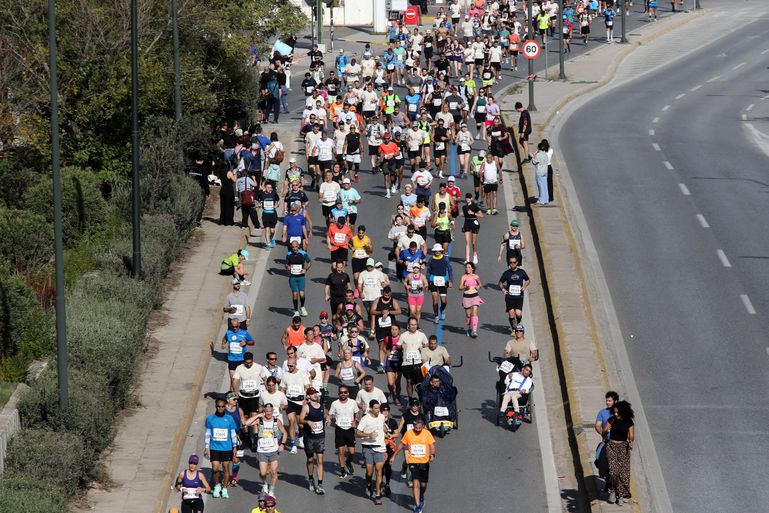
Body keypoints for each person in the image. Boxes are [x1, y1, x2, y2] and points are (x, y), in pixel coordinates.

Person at [390, 418, 436, 513]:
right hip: (413, 462)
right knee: (415, 483)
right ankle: (417, 505)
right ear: (413, 427)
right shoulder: (409, 433)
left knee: (423, 485)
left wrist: (432, 455)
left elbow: (432, 446)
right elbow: (401, 445)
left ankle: (421, 496)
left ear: (423, 426)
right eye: (416, 428)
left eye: (420, 428)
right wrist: (393, 456)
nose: (418, 430)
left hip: (424, 462)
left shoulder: (427, 433)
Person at [244, 403, 287, 497]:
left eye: (270, 411)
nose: (268, 413)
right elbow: (246, 423)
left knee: (274, 472)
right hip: (262, 451)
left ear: (272, 411)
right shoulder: (259, 421)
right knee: (263, 473)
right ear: (264, 411)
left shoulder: (277, 421)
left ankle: (271, 491)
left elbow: (284, 433)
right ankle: (264, 484)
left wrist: (282, 444)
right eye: (266, 411)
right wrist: (258, 415)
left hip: (273, 450)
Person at [356, 400, 389, 505]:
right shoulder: (365, 419)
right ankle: (369, 483)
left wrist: (386, 432)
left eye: (379, 408)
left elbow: (382, 425)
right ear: (370, 408)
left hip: (380, 447)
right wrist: (369, 435)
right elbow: (357, 433)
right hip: (368, 447)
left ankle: (378, 495)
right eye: (376, 408)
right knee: (369, 472)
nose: (378, 410)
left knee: (379, 471)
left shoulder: (381, 417)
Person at [205, 398, 239, 498]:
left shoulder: (229, 419)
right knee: (215, 468)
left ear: (225, 407)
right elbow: (207, 433)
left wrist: (234, 446)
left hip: (226, 448)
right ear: (215, 407)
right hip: (214, 447)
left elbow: (233, 433)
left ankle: (224, 488)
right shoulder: (210, 418)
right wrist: (206, 447)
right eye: (218, 406)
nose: (220, 408)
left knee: (226, 469)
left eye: (223, 406)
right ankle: (217, 485)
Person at [603, 400, 635, 506]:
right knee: (613, 472)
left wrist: (630, 440)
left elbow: (631, 436)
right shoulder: (611, 420)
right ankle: (612, 489)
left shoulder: (628, 422)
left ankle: (620, 495)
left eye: (618, 412)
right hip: (611, 446)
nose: (616, 414)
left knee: (623, 473)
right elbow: (603, 432)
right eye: (614, 412)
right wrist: (606, 431)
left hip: (623, 448)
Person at [298, 387, 327, 495]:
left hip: (320, 436)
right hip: (309, 437)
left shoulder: (321, 406)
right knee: (310, 459)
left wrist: (327, 418)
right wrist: (308, 421)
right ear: (309, 396)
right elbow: (300, 419)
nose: (315, 395)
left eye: (315, 393)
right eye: (312, 394)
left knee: (320, 460)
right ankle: (311, 479)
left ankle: (320, 484)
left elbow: (324, 415)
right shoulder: (306, 407)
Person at [328, 384, 361, 478]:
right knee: (341, 451)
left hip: (350, 429)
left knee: (352, 452)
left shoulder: (352, 402)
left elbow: (357, 413)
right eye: (341, 392)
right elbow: (330, 414)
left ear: (348, 393)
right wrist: (329, 419)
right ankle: (342, 470)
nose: (343, 394)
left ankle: (348, 462)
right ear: (338, 393)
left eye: (345, 392)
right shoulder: (335, 404)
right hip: (339, 429)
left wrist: (356, 421)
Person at [280, 356, 311, 454]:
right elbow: (282, 389)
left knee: (301, 424)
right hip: (290, 401)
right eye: (288, 366)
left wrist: (307, 399)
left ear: (296, 364)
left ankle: (300, 437)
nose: (290, 367)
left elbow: (308, 387)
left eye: (291, 366)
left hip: (300, 402)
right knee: (291, 421)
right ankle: (293, 445)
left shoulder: (303, 375)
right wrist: (282, 400)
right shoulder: (285, 375)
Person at [498, 256, 530, 332]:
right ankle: (514, 329)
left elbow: (528, 280)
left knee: (518, 313)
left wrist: (524, 286)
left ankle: (518, 322)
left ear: (517, 263)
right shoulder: (506, 273)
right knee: (511, 313)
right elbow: (500, 282)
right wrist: (503, 289)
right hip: (510, 296)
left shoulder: (521, 272)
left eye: (514, 262)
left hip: (519, 296)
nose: (512, 264)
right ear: (509, 263)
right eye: (511, 262)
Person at [594, 391, 619, 485]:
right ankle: (606, 477)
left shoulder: (620, 413)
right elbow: (597, 426)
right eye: (607, 400)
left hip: (618, 442)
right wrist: (602, 433)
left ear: (615, 401)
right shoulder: (602, 412)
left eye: (610, 401)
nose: (607, 402)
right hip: (606, 441)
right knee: (598, 457)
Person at [400, 317, 429, 399]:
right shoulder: (403, 335)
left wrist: (423, 347)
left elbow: (427, 344)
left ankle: (421, 400)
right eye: (411, 325)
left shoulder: (421, 335)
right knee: (409, 382)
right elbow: (398, 345)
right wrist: (401, 346)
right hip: (407, 363)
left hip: (418, 362)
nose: (413, 326)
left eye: (415, 325)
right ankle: (410, 400)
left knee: (420, 383)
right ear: (408, 325)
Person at [426, 243, 453, 322]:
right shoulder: (431, 259)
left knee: (444, 301)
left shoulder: (445, 259)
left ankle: (442, 309)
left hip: (443, 281)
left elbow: (450, 270)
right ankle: (436, 316)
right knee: (435, 299)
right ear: (434, 251)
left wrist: (450, 280)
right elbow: (428, 271)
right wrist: (428, 282)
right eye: (436, 251)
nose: (437, 252)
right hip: (433, 280)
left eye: (439, 251)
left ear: (441, 251)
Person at [285, 240, 312, 317]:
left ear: (298, 246)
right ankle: (296, 311)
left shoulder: (303, 253)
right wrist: (288, 267)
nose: (294, 248)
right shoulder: (289, 254)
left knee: (302, 294)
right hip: (293, 277)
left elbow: (309, 262)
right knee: (295, 294)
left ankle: (302, 307)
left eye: (296, 247)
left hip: (301, 277)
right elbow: (286, 264)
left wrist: (305, 269)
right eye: (293, 247)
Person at [459, 261, 483, 338]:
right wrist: (465, 287)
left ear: (472, 268)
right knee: (468, 315)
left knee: (475, 313)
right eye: (466, 267)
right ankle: (469, 329)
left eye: (469, 267)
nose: (467, 269)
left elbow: (480, 284)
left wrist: (478, 287)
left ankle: (475, 331)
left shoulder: (476, 276)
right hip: (467, 297)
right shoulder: (463, 277)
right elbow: (460, 287)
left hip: (475, 296)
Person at [461, 193, 484, 264]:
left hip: (474, 223)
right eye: (466, 198)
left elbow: (481, 215)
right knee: (467, 242)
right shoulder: (464, 207)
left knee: (473, 242)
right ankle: (467, 259)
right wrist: (463, 216)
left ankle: (475, 255)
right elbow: (465, 216)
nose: (467, 199)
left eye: (469, 198)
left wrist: (473, 213)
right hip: (467, 223)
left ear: (471, 198)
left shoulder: (475, 206)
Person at [531, 140, 551, 206]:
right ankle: (546, 199)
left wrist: (533, 156)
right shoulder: (545, 154)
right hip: (545, 171)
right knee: (545, 185)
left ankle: (541, 200)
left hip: (539, 171)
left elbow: (534, 162)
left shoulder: (538, 154)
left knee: (540, 186)